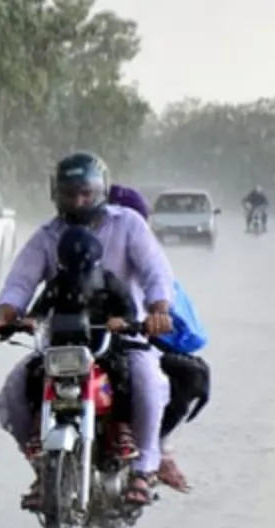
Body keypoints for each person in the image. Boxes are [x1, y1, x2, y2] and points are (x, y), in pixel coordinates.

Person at [0, 152, 175, 508]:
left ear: (101, 190)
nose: (78, 201)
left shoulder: (128, 223)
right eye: (69, 193)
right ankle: (43, 469)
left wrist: (158, 311)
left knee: (146, 381)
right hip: (62, 343)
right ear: (56, 193)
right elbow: (20, 284)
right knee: (14, 391)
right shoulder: (47, 235)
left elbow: (155, 272)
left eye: (85, 192)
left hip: (122, 338)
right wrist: (6, 317)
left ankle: (144, 470)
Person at [108, 183, 210, 493]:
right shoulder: (75, 250)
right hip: (90, 344)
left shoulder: (151, 264)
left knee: (191, 375)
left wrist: (156, 319)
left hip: (135, 342)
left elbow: (182, 326)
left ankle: (155, 447)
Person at [20, 226, 140, 467]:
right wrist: (30, 321)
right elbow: (39, 310)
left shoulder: (109, 281)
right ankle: (37, 426)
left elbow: (129, 311)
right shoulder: (57, 284)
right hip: (61, 350)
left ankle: (122, 428)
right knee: (34, 372)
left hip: (100, 349)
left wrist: (121, 321)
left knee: (121, 371)